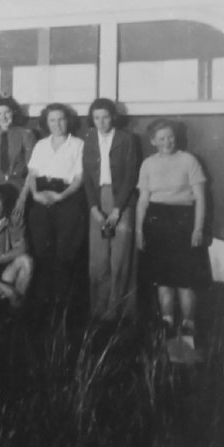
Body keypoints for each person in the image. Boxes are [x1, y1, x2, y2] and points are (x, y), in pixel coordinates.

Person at [135, 119, 209, 340]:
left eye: (170, 137)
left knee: (185, 281)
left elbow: (201, 198)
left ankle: (188, 328)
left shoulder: (189, 160)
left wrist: (198, 228)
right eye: (161, 139)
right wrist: (139, 231)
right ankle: (166, 325)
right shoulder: (148, 164)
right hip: (156, 222)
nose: (167, 142)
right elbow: (143, 200)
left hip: (183, 222)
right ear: (153, 141)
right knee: (163, 280)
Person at [15, 102, 87, 321]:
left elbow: (78, 178)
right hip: (40, 198)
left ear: (69, 121)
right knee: (42, 253)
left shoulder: (78, 144)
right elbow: (33, 174)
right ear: (47, 123)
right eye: (52, 120)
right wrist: (35, 195)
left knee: (65, 255)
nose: (58, 124)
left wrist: (61, 196)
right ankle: (42, 308)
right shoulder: (41, 145)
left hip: (67, 199)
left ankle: (62, 308)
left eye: (62, 119)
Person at [82, 98, 140, 323]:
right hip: (97, 199)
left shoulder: (127, 139)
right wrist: (94, 208)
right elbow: (86, 177)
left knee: (120, 257)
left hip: (121, 201)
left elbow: (130, 175)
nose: (101, 122)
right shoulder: (88, 139)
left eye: (105, 117)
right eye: (96, 118)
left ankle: (120, 312)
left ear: (113, 117)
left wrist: (117, 210)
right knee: (98, 259)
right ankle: (99, 312)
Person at [0, 95, 36, 201]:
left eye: (7, 112)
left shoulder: (26, 135)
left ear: (13, 112)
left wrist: (22, 199)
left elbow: (32, 172)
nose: (3, 117)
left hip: (19, 187)